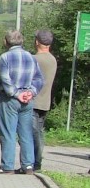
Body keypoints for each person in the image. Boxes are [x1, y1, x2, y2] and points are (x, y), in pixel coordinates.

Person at [0, 30, 43, 174]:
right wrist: (30, 92)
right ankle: (28, 165)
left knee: (8, 132)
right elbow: (39, 79)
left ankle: (7, 166)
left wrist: (17, 94)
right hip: (27, 100)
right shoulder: (31, 57)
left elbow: (5, 80)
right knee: (26, 133)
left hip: (9, 99)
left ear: (6, 42)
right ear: (22, 41)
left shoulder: (4, 57)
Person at [32, 29, 57, 171]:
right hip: (45, 102)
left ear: (37, 42)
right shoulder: (52, 59)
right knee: (39, 132)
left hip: (34, 101)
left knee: (33, 134)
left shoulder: (35, 59)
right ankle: (37, 162)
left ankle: (35, 163)